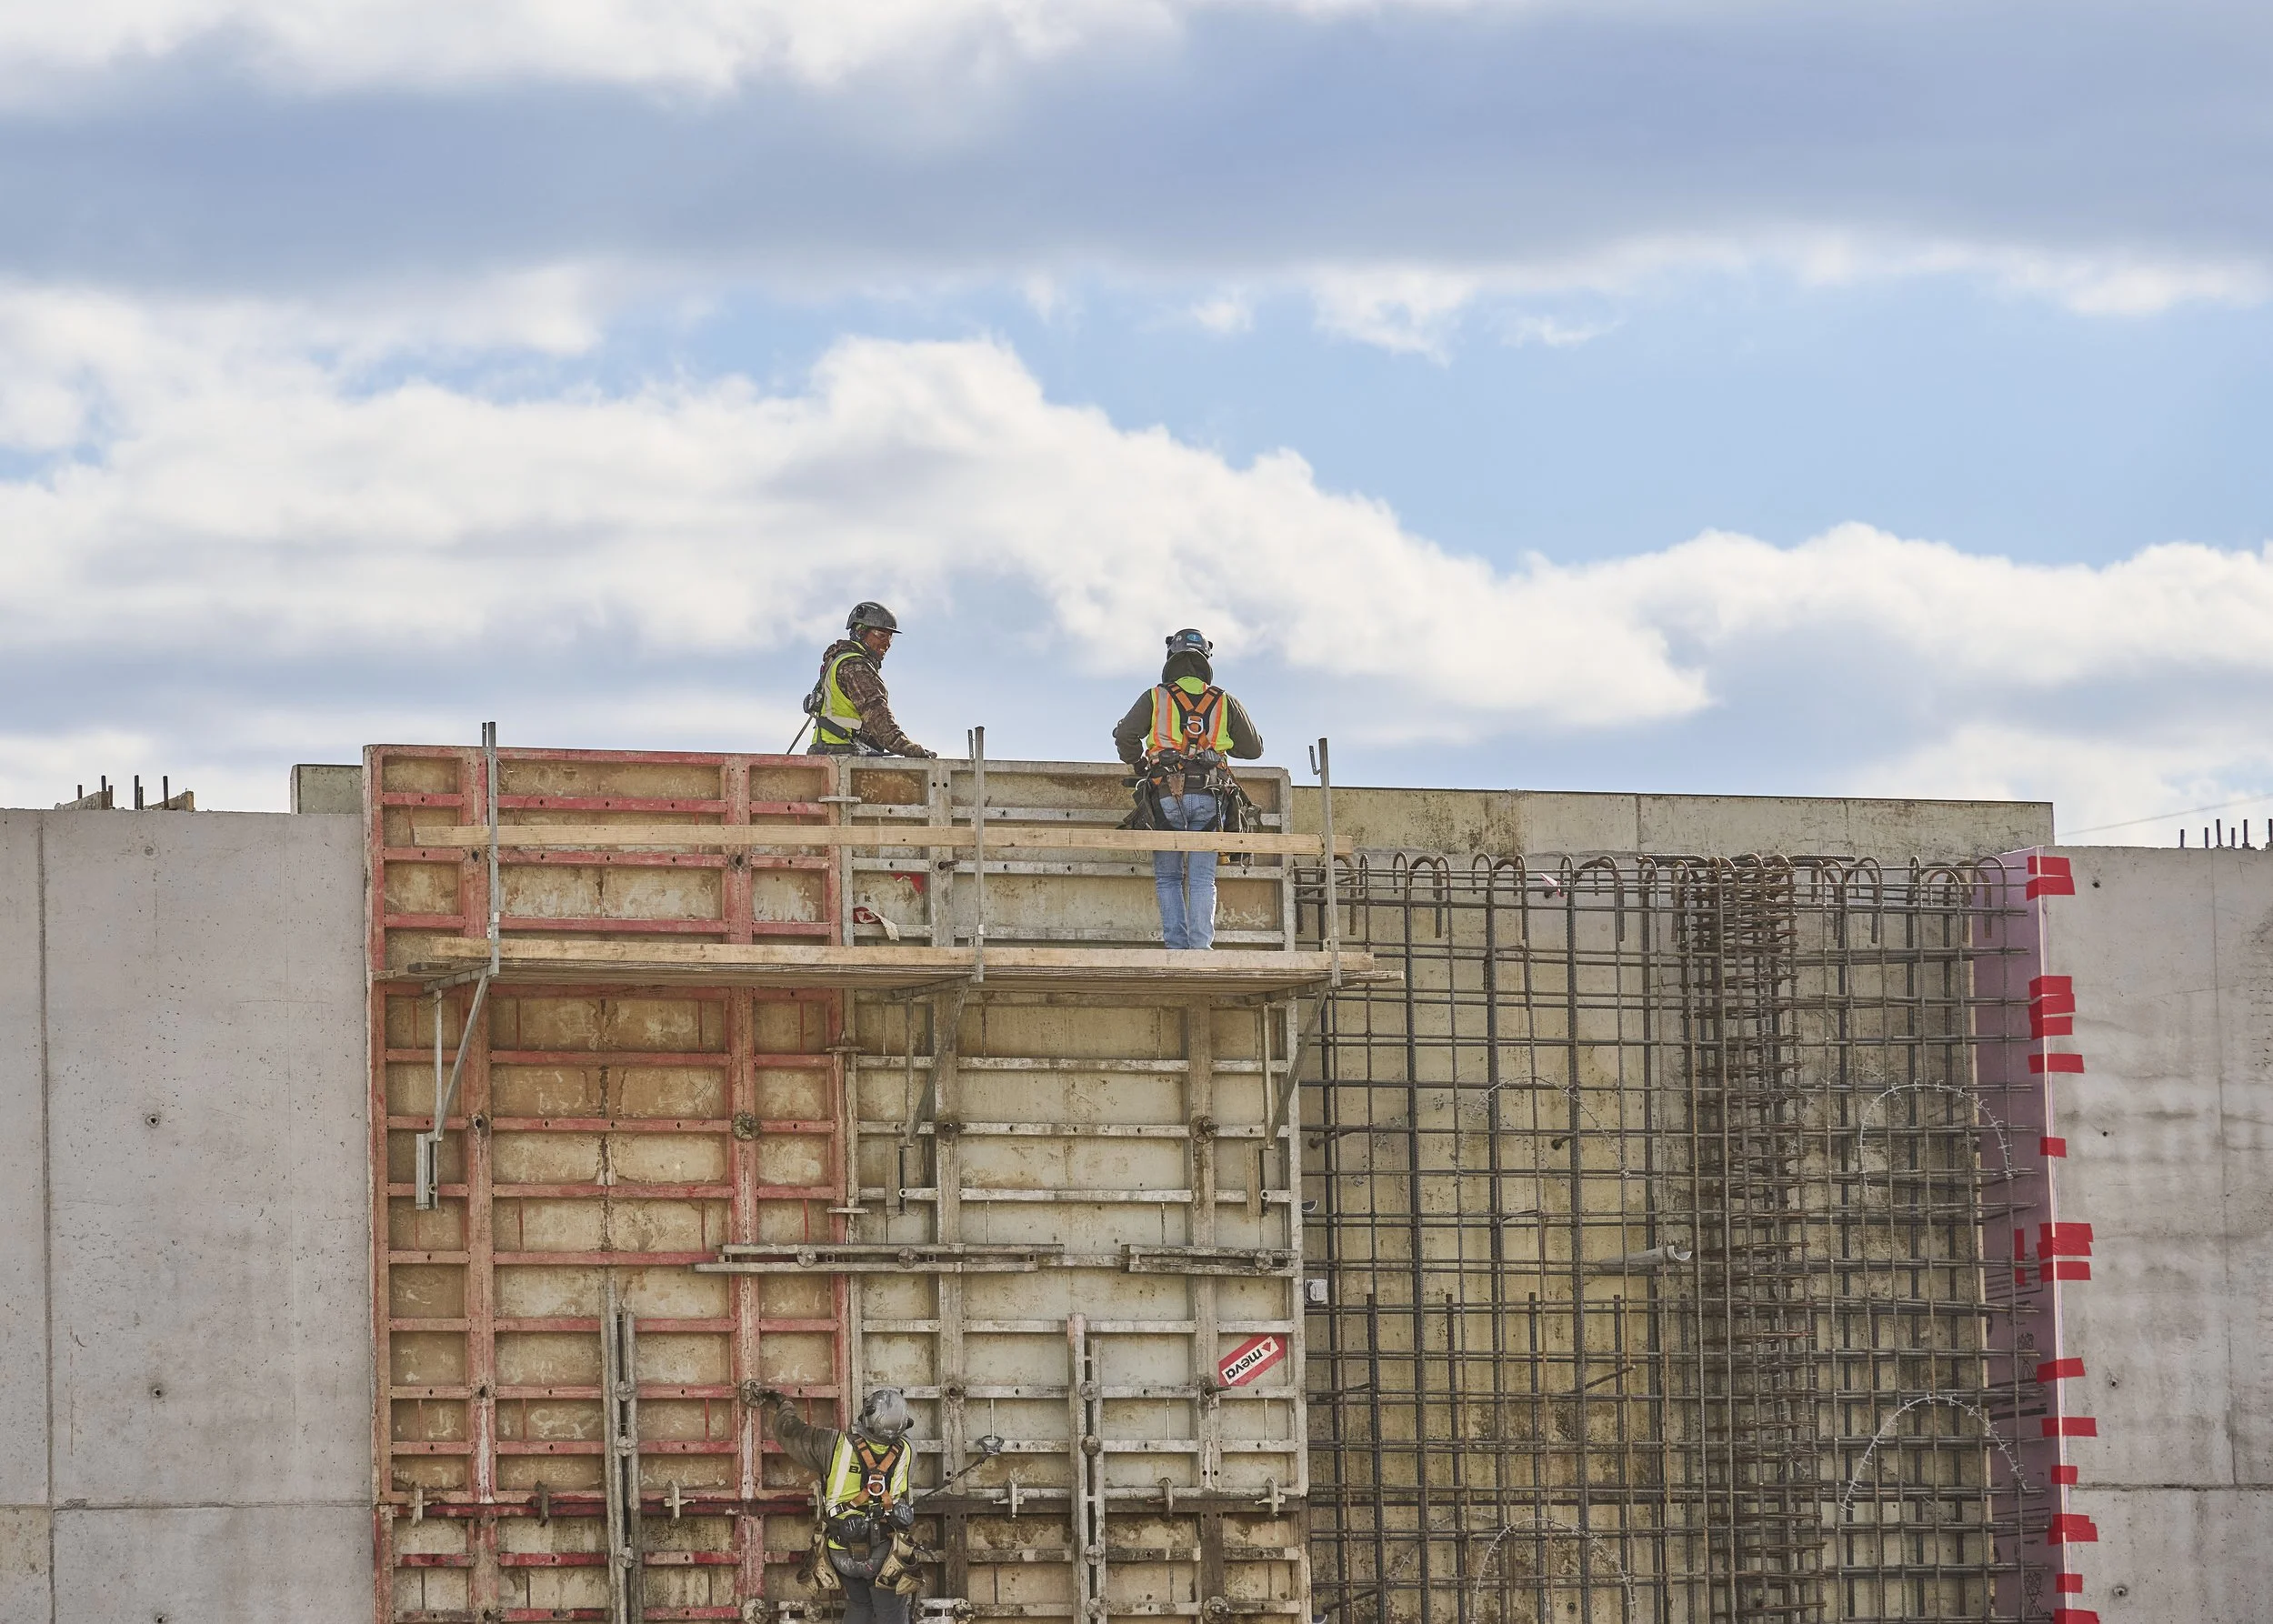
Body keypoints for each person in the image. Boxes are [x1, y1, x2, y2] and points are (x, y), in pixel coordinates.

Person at [1111, 628, 1264, 950]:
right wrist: (1215, 742)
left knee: (1168, 877)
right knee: (1201, 879)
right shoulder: (1223, 700)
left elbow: (1125, 735)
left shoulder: (1156, 696)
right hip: (1211, 796)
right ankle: (1201, 950)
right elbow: (1253, 749)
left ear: (1172, 659)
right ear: (1205, 661)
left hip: (1165, 796)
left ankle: (1176, 949)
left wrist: (1140, 765)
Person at [758, 1385, 921, 1624]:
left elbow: (789, 1431)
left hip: (840, 1553)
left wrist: (783, 1402)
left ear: (866, 1415)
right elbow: (903, 1499)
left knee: (859, 1605)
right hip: (883, 1554)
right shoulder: (908, 1451)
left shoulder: (832, 1444)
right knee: (891, 1616)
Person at [806, 603, 936, 757]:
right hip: (843, 753)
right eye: (881, 635)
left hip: (833, 751)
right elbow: (876, 713)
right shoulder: (855, 666)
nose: (887, 643)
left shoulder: (838, 661)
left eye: (890, 637)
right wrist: (907, 748)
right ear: (860, 632)